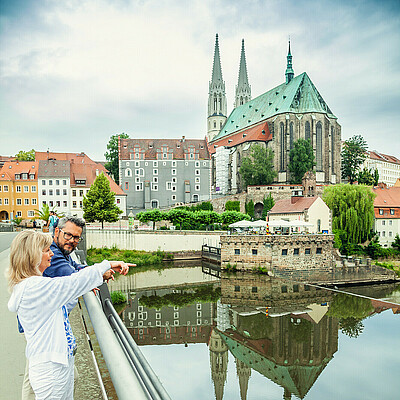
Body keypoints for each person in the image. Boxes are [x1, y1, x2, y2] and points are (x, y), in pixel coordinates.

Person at [7, 230, 130, 399]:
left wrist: (92, 280)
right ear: (31, 255)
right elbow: (72, 283)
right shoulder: (35, 287)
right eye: (46, 250)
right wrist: (106, 264)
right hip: (51, 371)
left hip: (57, 365)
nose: (51, 253)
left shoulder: (35, 286)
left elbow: (64, 302)